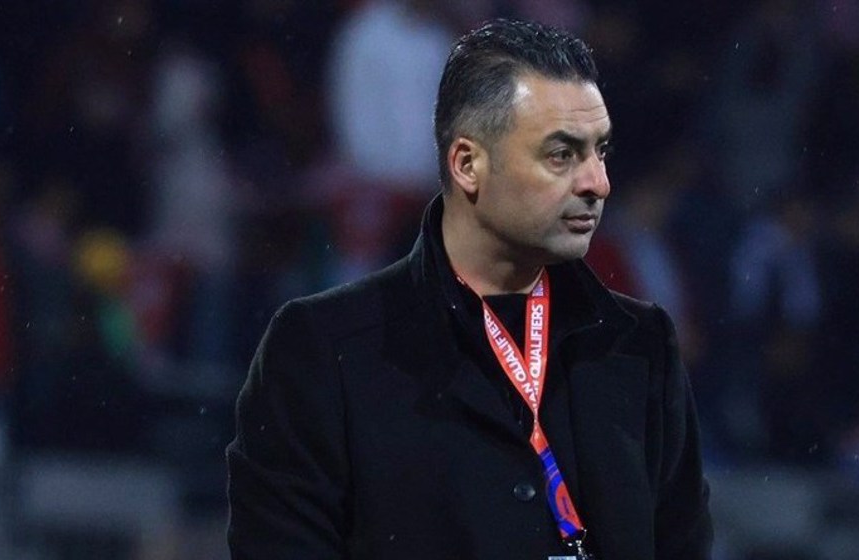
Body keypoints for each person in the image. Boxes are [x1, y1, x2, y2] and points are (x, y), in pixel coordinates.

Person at [226, 18, 712, 560]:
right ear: (467, 164)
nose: (597, 183)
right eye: (561, 154)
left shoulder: (641, 348)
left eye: (600, 151)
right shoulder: (323, 351)